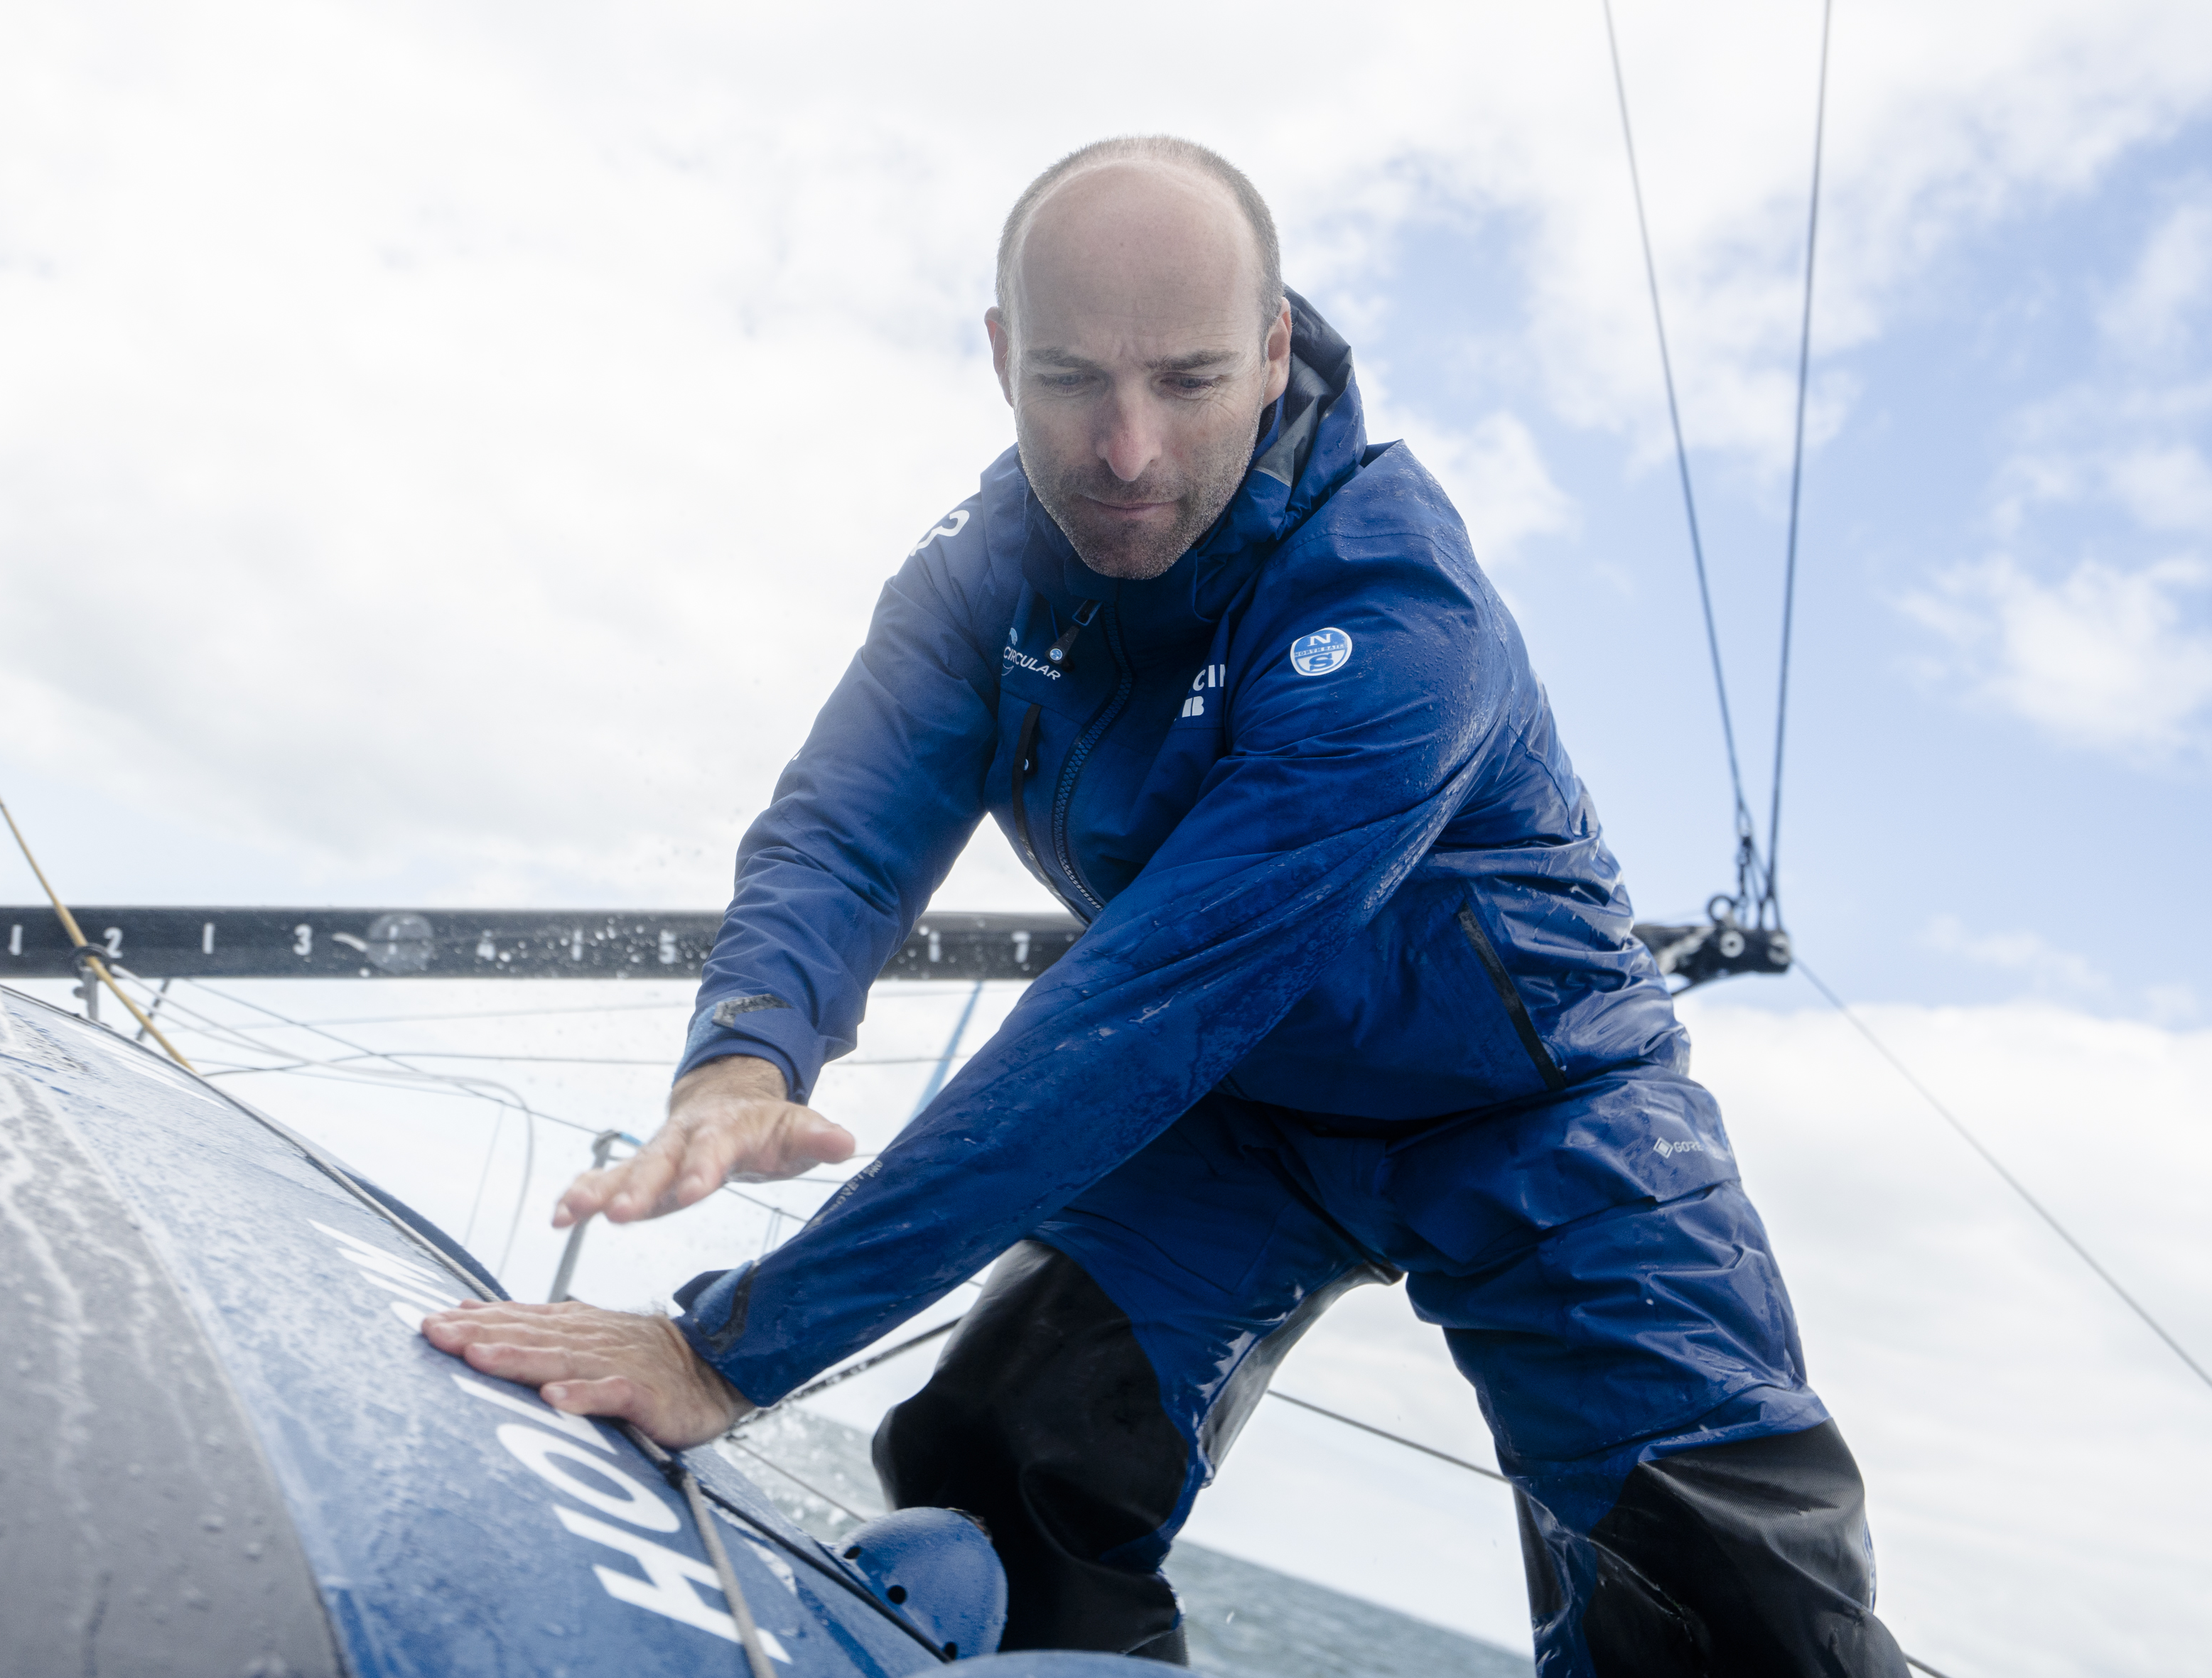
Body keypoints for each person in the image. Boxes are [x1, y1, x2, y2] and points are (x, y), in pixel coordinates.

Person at [424, 135, 1906, 1677]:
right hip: (1241, 1117)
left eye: (1187, 381)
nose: (1125, 451)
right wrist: (744, 1054)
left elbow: (1148, 1011)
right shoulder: (978, 579)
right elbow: (842, 837)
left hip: (1532, 1108)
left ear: (1272, 353)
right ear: (1000, 358)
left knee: (1728, 1609)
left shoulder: (1399, 615)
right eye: (1071, 378)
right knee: (1001, 1450)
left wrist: (722, 1347)